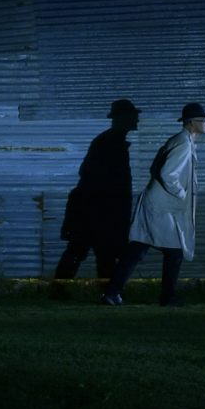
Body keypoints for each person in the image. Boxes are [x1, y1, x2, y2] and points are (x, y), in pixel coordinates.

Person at [102, 102, 205, 307]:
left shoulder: (182, 141)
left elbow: (155, 169)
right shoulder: (184, 143)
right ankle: (168, 297)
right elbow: (167, 174)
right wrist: (182, 194)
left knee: (138, 248)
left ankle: (113, 291)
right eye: (203, 120)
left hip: (158, 205)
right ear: (191, 123)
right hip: (161, 207)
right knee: (173, 250)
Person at [55, 99, 140, 279]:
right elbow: (95, 176)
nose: (137, 120)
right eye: (133, 116)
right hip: (100, 213)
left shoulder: (110, 141)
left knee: (88, 252)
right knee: (97, 253)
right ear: (123, 118)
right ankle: (104, 291)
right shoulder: (111, 143)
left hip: (95, 211)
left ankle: (64, 290)